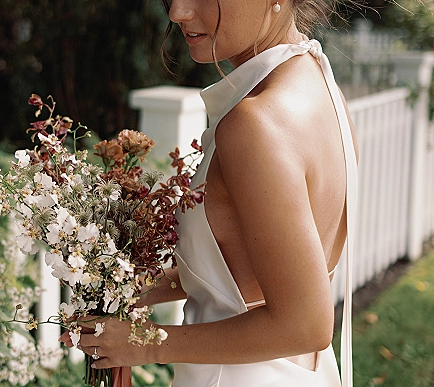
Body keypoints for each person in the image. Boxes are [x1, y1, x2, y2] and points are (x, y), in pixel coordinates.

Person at [62, 0, 359, 385]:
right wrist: (141, 286)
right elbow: (251, 274)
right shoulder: (322, 88)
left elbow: (305, 325)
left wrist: (143, 343)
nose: (177, 12)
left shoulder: (255, 126)